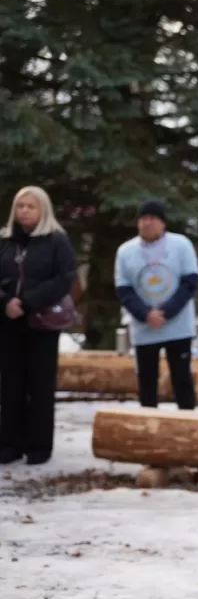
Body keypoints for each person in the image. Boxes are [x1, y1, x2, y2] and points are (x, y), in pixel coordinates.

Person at [0, 186, 77, 465]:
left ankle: (38, 446)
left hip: (42, 321)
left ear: (43, 209)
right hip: (8, 323)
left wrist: (27, 302)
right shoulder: (5, 241)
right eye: (20, 206)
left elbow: (64, 278)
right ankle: (9, 443)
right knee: (10, 385)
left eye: (31, 206)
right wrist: (6, 301)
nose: (25, 211)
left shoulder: (56, 241)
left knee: (40, 385)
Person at [114, 200, 198, 410]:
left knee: (181, 378)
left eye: (152, 219)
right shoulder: (125, 251)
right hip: (144, 326)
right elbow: (123, 289)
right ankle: (148, 422)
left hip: (177, 325)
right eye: (143, 219)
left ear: (163, 223)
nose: (147, 223)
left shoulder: (181, 244)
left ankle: (188, 421)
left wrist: (167, 312)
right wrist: (145, 314)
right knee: (146, 379)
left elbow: (190, 282)